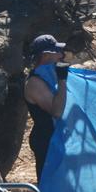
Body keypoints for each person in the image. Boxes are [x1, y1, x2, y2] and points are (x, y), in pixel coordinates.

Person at [24, 34, 69, 182]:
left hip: (56, 139)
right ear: (46, 55)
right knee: (50, 188)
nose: (61, 55)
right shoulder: (34, 83)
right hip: (46, 142)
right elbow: (56, 111)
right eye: (57, 52)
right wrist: (63, 80)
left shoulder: (49, 75)